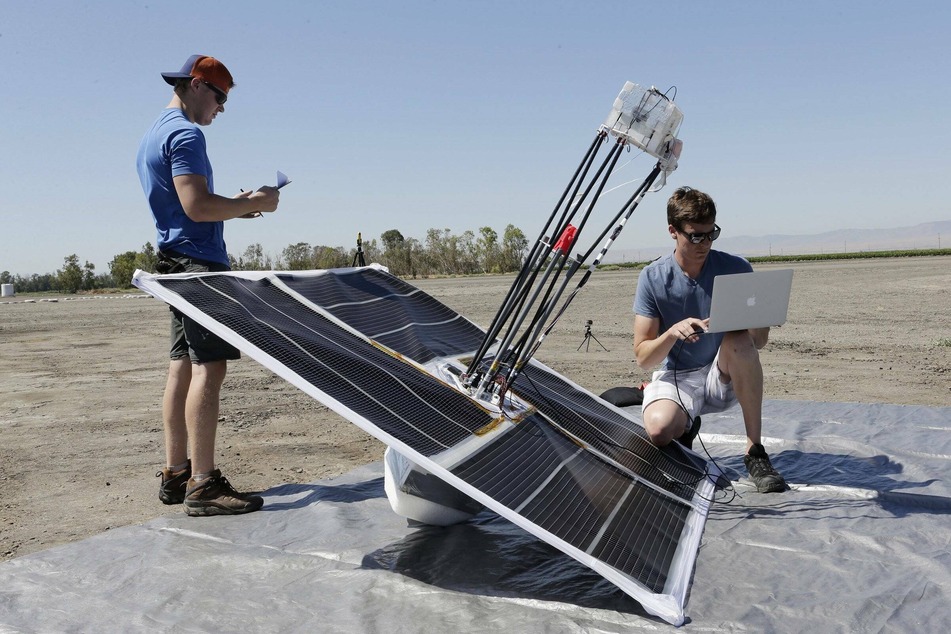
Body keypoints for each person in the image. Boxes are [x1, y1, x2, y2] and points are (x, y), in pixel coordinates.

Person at [137, 54, 281, 515]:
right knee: (209, 368)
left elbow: (187, 207)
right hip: (198, 266)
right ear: (197, 86)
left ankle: (176, 472)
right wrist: (256, 201)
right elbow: (197, 207)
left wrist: (238, 205)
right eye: (220, 97)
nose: (220, 109)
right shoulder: (185, 133)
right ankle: (203, 484)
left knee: (181, 365)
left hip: (174, 260)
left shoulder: (153, 133)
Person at [632, 186, 787, 493]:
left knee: (740, 340)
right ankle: (686, 424)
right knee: (660, 431)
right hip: (677, 376)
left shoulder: (736, 269)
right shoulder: (652, 278)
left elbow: (758, 344)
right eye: (696, 236)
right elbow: (643, 357)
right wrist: (672, 333)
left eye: (711, 234)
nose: (705, 243)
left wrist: (760, 322)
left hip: (723, 373)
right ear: (673, 232)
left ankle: (755, 452)